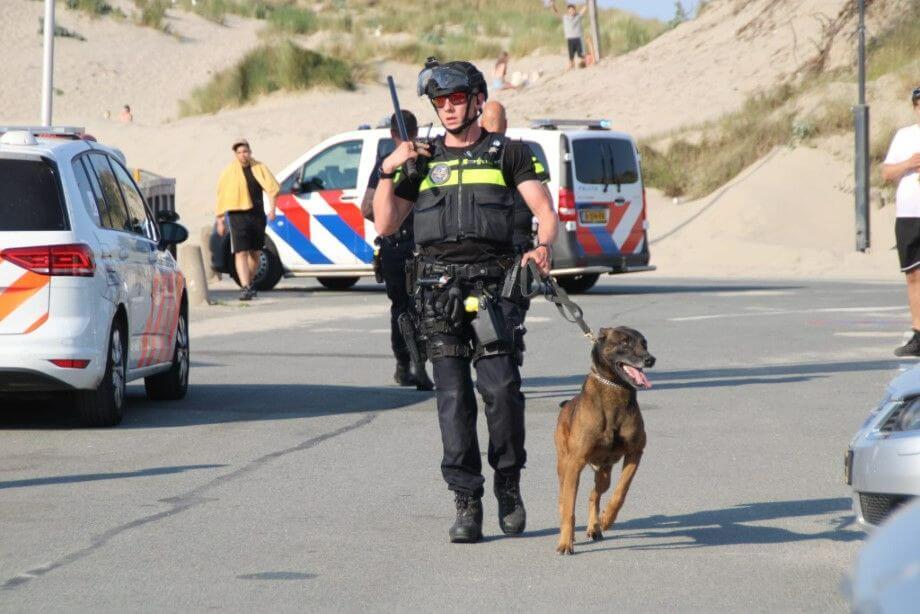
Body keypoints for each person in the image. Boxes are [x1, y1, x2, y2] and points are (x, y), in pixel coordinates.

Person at [373, 60, 558, 543]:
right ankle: (467, 502)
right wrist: (388, 169)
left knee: (501, 392)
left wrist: (542, 247)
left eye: (457, 99)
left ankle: (509, 486)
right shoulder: (422, 158)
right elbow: (386, 223)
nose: (449, 108)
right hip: (436, 294)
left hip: (493, 291)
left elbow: (544, 210)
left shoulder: (508, 153)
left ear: (477, 99)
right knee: (452, 401)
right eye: (440, 102)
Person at [361, 110, 435, 390]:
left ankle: (415, 364)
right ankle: (408, 364)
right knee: (405, 310)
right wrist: (396, 210)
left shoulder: (423, 162)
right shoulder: (387, 166)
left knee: (418, 309)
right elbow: (369, 209)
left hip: (421, 246)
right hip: (400, 245)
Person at [215, 139, 280, 301]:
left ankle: (249, 282)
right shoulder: (229, 172)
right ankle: (245, 286)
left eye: (246, 151)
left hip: (257, 214)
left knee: (256, 254)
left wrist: (273, 209)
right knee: (240, 252)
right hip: (237, 215)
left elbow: (272, 188)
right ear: (235, 155)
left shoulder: (259, 167)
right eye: (240, 152)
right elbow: (221, 196)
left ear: (250, 152)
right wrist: (220, 220)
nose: (243, 155)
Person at [883, 86, 920, 356]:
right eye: (919, 104)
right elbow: (887, 173)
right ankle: (918, 334)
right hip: (908, 213)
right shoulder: (904, 136)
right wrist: (908, 163)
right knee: (913, 275)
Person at [553, 3, 588, 69]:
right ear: (568, 11)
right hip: (570, 38)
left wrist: (587, 3)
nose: (572, 11)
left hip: (578, 38)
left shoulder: (578, 16)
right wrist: (553, 6)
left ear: (575, 10)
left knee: (581, 54)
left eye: (573, 10)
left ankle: (583, 64)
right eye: (570, 10)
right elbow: (556, 13)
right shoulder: (565, 17)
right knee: (571, 55)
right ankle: (571, 65)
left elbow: (584, 9)